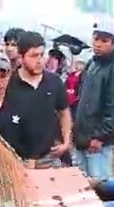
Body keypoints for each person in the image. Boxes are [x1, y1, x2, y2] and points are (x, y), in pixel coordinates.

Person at [72, 19, 114, 181]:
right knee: (81, 184)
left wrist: (100, 137)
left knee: (100, 186)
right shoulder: (92, 62)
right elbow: (81, 98)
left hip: (98, 142)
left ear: (113, 43)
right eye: (96, 39)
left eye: (104, 41)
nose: (98, 44)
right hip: (82, 137)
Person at [10, 31, 71, 169]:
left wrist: (66, 142)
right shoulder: (10, 84)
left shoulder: (54, 82)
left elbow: (64, 112)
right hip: (18, 159)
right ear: (20, 57)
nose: (39, 60)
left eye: (42, 55)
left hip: (50, 157)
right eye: (33, 56)